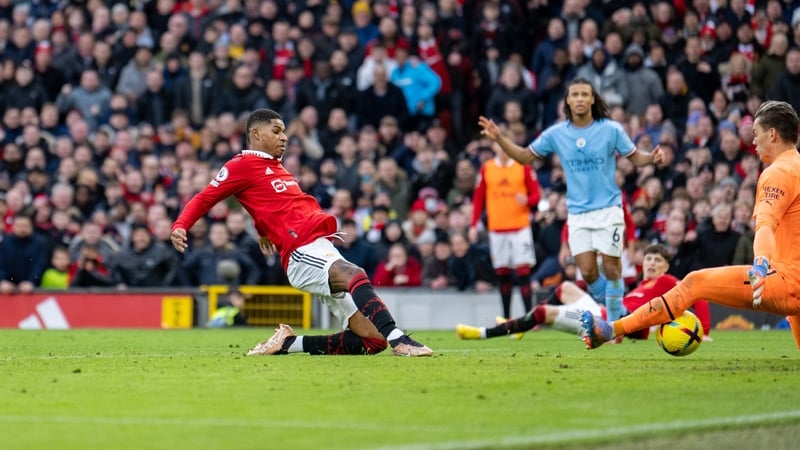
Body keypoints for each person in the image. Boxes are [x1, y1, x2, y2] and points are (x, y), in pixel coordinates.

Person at [171, 109, 432, 357]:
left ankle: (289, 343)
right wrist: (180, 225)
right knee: (355, 274)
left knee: (371, 341)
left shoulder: (274, 165)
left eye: (284, 131)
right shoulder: (241, 164)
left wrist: (262, 230)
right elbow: (206, 197)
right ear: (256, 135)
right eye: (276, 131)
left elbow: (266, 205)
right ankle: (400, 341)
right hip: (300, 252)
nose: (284, 136)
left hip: (320, 247)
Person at [581, 100, 800, 351]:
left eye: (756, 134)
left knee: (695, 283)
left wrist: (761, 264)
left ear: (772, 134)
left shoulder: (778, 173)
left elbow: (765, 225)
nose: (753, 142)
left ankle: (610, 329)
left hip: (786, 280)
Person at [477, 78, 664, 322]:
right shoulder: (557, 133)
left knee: (611, 267)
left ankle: (616, 324)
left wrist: (652, 158)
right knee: (587, 272)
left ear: (592, 99)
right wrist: (500, 138)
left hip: (608, 209)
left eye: (584, 94)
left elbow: (635, 157)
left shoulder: (611, 129)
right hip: (577, 213)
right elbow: (524, 157)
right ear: (567, 100)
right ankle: (619, 312)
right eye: (574, 94)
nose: (579, 99)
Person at [456, 244, 683, 341]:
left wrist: (700, 330)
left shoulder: (667, 281)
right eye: (649, 258)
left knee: (544, 312)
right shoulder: (641, 288)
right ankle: (525, 327)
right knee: (565, 287)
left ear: (666, 266)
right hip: (603, 313)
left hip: (605, 324)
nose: (652, 263)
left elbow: (693, 295)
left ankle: (485, 333)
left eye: (658, 260)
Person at [469, 135, 541, 320]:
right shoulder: (487, 168)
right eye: (499, 145)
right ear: (494, 147)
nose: (502, 148)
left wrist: (528, 201)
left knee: (523, 272)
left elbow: (536, 195)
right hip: (497, 228)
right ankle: (507, 316)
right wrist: (473, 224)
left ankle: (529, 317)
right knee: (503, 273)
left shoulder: (522, 166)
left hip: (520, 227)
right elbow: (478, 198)